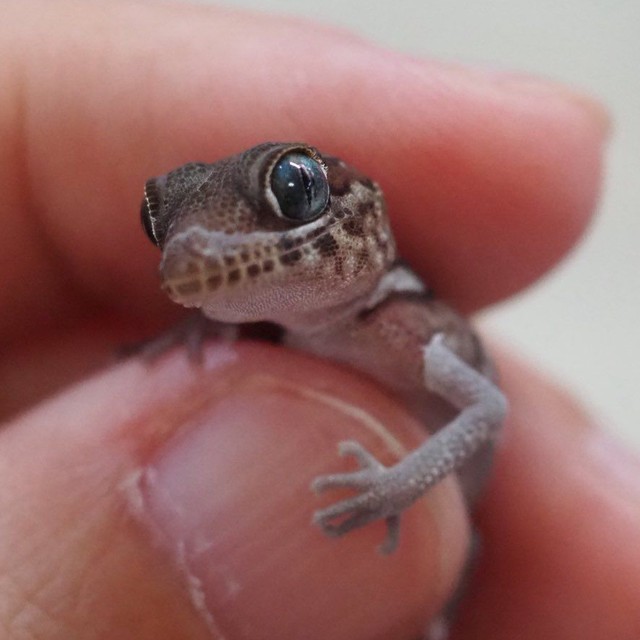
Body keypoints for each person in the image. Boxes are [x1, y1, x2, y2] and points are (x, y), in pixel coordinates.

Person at [1, 1, 637, 639]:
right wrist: (203, 321)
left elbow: (486, 409)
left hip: (461, 545)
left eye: (294, 190)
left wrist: (396, 487)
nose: (190, 255)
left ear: (368, 221)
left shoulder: (406, 327)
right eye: (160, 224)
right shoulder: (278, 319)